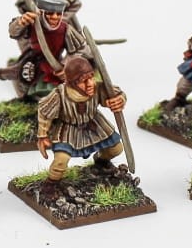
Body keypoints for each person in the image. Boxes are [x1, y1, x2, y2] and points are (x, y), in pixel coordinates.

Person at [36, 55, 126, 188]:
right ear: (72, 82)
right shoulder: (60, 94)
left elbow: (115, 94)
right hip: (68, 130)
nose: (90, 83)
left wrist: (119, 100)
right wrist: (42, 135)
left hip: (95, 124)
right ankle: (51, 184)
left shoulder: (97, 88)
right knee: (61, 160)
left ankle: (101, 162)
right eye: (83, 81)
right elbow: (45, 112)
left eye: (91, 77)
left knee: (116, 149)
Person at [0, 0, 91, 100]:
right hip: (31, 59)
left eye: (58, 14)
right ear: (41, 12)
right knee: (19, 75)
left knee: (53, 86)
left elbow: (80, 49)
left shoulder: (65, 29)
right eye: (50, 13)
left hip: (54, 64)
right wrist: (20, 23)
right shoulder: (32, 23)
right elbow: (14, 33)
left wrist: (66, 64)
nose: (55, 17)